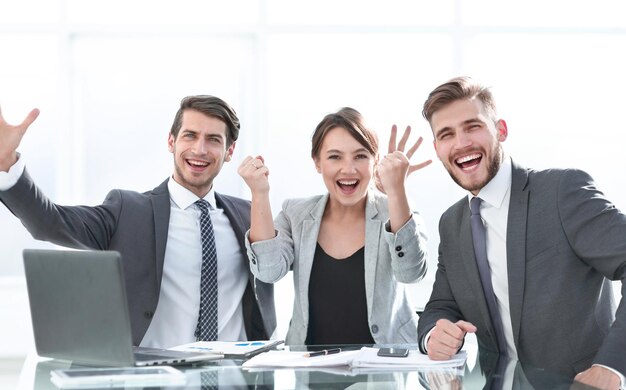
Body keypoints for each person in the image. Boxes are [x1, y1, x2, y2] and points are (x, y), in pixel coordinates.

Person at [0, 96, 276, 348]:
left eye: (214, 139)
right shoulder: (128, 211)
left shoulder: (247, 213)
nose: (200, 149)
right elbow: (50, 223)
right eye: (190, 135)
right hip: (156, 375)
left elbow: (273, 270)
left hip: (234, 377)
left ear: (229, 151)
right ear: (171, 141)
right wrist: (6, 163)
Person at [417, 77, 626, 389]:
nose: (461, 143)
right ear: (437, 149)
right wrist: (435, 333)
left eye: (472, 126)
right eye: (447, 135)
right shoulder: (452, 223)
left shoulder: (561, 192)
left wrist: (612, 367)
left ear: (500, 130)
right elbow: (441, 305)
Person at [238, 107, 430, 345]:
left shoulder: (398, 210)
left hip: (383, 369)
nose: (348, 169)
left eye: (360, 156)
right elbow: (268, 271)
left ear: (376, 161)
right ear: (317, 162)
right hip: (312, 370)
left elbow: (411, 273)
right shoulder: (295, 214)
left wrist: (396, 190)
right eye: (335, 156)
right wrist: (259, 193)